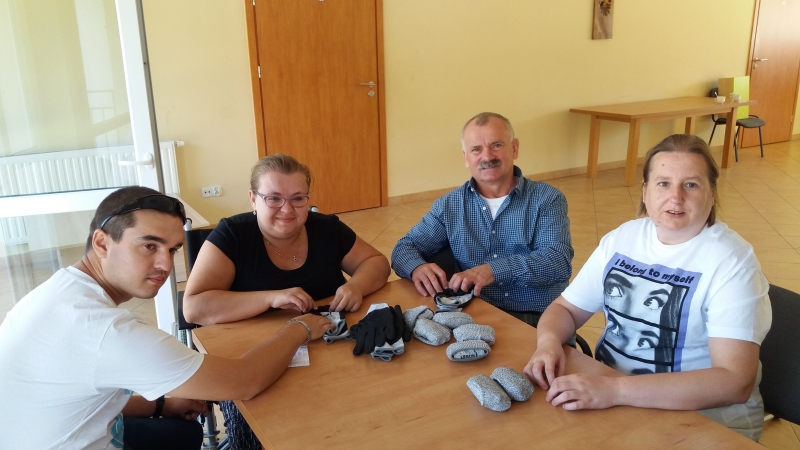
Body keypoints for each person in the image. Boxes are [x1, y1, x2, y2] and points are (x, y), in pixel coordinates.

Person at [0, 186, 334, 450]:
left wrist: (159, 405)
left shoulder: (60, 291)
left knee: (182, 432)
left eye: (172, 249)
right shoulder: (107, 331)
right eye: (149, 246)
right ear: (102, 243)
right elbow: (244, 382)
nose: (165, 264)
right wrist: (299, 328)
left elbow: (83, 398)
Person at [523, 134, 772, 441]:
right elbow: (565, 309)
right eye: (663, 183)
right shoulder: (623, 238)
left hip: (704, 422)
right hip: (615, 400)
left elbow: (734, 382)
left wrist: (615, 390)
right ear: (645, 191)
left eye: (691, 185)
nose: (676, 197)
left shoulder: (732, 261)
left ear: (712, 193)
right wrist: (548, 343)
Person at [183, 153, 390, 449]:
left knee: (367, 411)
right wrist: (270, 297)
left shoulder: (326, 228)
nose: (287, 209)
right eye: (273, 199)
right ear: (253, 199)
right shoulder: (232, 235)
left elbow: (376, 262)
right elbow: (194, 307)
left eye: (297, 199)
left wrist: (357, 285)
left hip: (330, 348)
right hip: (253, 359)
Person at [391, 112, 573, 326]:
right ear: (466, 158)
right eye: (476, 149)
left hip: (539, 315)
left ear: (514, 148)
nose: (487, 157)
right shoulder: (449, 205)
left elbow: (557, 261)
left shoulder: (547, 199)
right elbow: (404, 248)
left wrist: (492, 270)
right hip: (477, 312)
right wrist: (416, 268)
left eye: (496, 145)